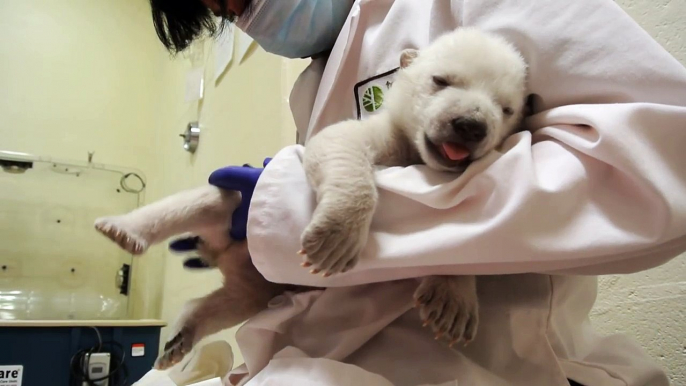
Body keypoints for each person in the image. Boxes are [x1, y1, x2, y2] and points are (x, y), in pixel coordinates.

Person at [149, 0, 686, 385]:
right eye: (223, 12)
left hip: (479, 360)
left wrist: (297, 209)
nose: (241, 12)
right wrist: (261, 257)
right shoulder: (312, 80)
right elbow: (343, 266)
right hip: (323, 353)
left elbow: (653, 171)